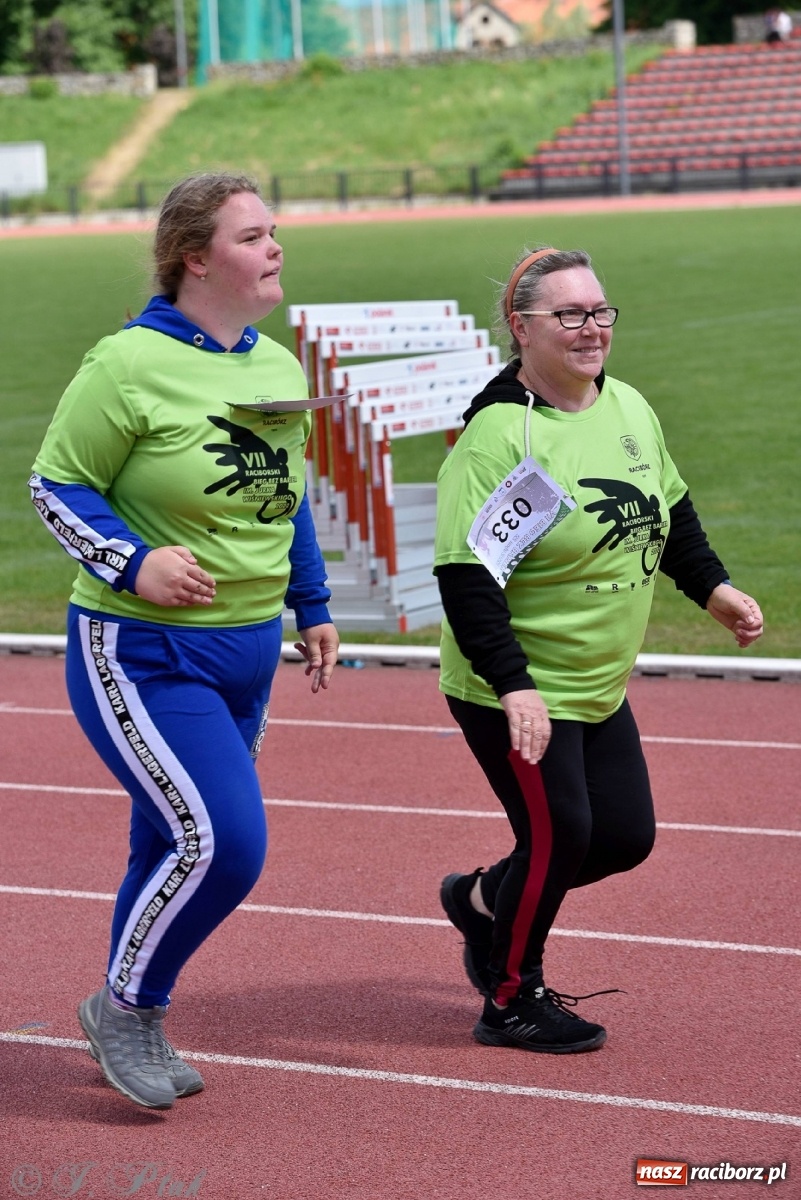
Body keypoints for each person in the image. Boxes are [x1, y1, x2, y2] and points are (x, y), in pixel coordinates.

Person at [29, 172, 339, 1109]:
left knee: (165, 844)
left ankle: (140, 1016)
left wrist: (312, 601)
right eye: (253, 236)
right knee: (224, 844)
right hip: (143, 653)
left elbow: (283, 498)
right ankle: (123, 1007)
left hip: (248, 654)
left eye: (274, 230)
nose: (275, 246)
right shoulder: (125, 364)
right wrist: (132, 564)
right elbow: (54, 487)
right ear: (194, 259)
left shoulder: (275, 365)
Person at [433, 246, 763, 1055]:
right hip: (514, 687)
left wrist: (713, 590)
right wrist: (513, 685)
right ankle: (509, 999)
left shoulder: (628, 408)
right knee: (558, 837)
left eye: (599, 312)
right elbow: (466, 576)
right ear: (522, 329)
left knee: (622, 837)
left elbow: (670, 512)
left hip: (595, 682)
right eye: (569, 316)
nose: (591, 330)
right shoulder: (500, 437)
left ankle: (479, 900)